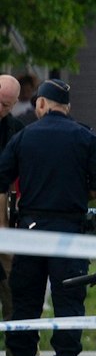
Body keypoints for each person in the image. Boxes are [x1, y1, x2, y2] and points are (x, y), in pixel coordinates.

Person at [0, 80, 96, 356]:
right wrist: (76, 193)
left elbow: (2, 178)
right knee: (69, 301)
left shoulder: (25, 136)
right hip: (69, 230)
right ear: (67, 106)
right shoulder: (85, 137)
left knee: (25, 300)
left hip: (31, 229)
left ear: (40, 104)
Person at [0, 74, 22, 320]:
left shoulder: (17, 132)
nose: (0, 109)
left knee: (13, 290)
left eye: (6, 105)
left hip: (6, 220)